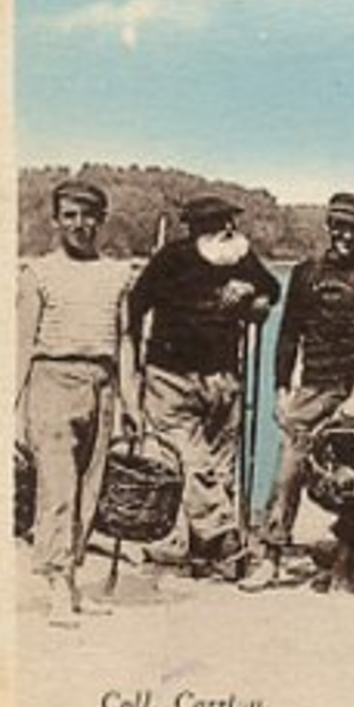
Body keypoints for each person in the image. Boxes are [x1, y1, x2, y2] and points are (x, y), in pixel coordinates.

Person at [127, 194, 280, 580]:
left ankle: (201, 554)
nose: (227, 230)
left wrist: (254, 295)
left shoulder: (239, 256)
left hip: (224, 377)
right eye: (215, 224)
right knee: (194, 463)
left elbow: (271, 289)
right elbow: (135, 305)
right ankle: (228, 541)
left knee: (221, 467)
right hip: (171, 378)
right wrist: (132, 366)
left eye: (230, 222)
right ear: (194, 229)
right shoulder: (171, 259)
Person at [244, 193, 354, 593]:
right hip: (312, 385)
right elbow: (289, 333)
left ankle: (345, 562)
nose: (345, 235)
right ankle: (271, 556)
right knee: (287, 471)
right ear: (329, 227)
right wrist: (279, 388)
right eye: (339, 227)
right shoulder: (305, 274)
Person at [15, 180, 140, 627]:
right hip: (52, 382)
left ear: (101, 221)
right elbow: (22, 343)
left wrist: (131, 400)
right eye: (69, 215)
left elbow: (124, 339)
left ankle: (71, 582)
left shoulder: (117, 274)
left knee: (90, 491)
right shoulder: (37, 272)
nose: (79, 224)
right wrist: (14, 408)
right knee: (58, 491)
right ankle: (56, 589)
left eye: (88, 215)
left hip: (102, 385)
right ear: (56, 221)